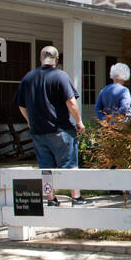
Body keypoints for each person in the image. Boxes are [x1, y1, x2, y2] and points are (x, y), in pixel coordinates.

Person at [13, 45, 86, 206]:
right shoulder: (60, 76)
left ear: (40, 59)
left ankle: (51, 199)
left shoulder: (28, 78)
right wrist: (79, 121)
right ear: (57, 59)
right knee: (70, 165)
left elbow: (21, 105)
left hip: (38, 132)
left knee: (45, 169)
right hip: (60, 130)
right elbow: (71, 101)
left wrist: (30, 121)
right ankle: (76, 197)